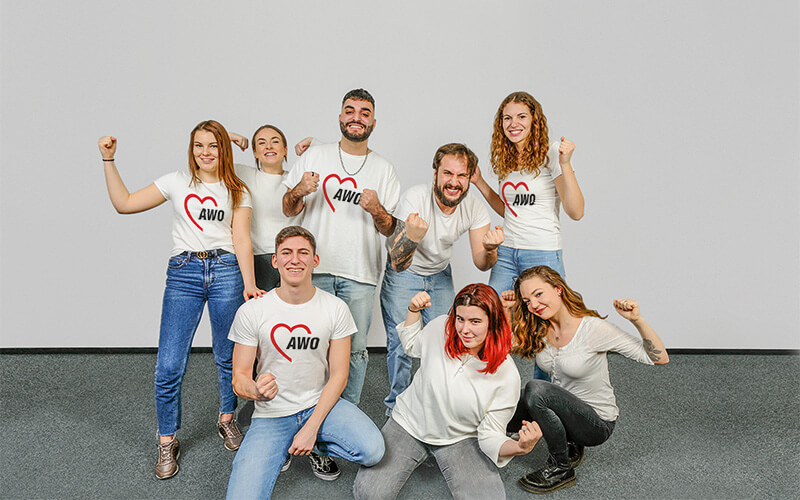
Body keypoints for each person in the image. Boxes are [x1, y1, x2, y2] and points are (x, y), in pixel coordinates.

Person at [97, 120, 261, 479]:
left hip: (226, 271)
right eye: (199, 145)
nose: (205, 152)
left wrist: (249, 284)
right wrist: (109, 160)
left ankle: (227, 418)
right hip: (184, 273)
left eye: (213, 145)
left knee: (227, 355)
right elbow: (124, 203)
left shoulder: (237, 189)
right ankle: (167, 440)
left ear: (223, 149)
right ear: (191, 149)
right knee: (169, 364)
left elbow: (241, 239)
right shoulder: (176, 181)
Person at [226, 226, 384, 499]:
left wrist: (310, 429)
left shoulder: (335, 308)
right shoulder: (252, 311)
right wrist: (256, 391)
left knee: (374, 450)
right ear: (275, 261)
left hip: (318, 405)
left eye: (303, 253)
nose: (295, 260)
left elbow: (339, 375)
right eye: (286, 253)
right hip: (271, 414)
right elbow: (239, 378)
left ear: (315, 260)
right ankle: (283, 445)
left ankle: (314, 445)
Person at [353, 284, 541, 500]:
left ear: (493, 323)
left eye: (475, 321)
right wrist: (413, 310)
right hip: (409, 423)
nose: (465, 329)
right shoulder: (441, 327)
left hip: (461, 437)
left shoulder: (506, 375)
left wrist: (519, 447)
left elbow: (491, 436)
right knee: (369, 495)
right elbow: (411, 345)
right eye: (460, 319)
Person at [504, 265, 669, 494]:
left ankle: (561, 468)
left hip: (596, 423)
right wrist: (508, 310)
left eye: (538, 294)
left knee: (537, 390)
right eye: (527, 301)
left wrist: (637, 319)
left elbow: (658, 358)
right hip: (564, 411)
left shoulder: (593, 329)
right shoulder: (540, 328)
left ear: (558, 289)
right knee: (505, 408)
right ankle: (567, 440)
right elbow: (503, 347)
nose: (534, 304)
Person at [282, 88, 401, 406]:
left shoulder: (384, 169)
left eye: (364, 113)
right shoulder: (315, 155)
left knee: (355, 350)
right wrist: (298, 190)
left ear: (373, 122)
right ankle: (306, 412)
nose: (356, 117)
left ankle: (345, 417)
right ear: (340, 117)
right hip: (315, 270)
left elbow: (390, 229)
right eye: (350, 111)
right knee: (308, 346)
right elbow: (288, 209)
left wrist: (377, 209)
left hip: (360, 273)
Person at [380, 143, 503, 416]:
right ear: (435, 174)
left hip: (440, 274)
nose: (454, 182)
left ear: (469, 178)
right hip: (405, 273)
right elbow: (398, 262)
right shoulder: (414, 198)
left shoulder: (473, 206)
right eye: (448, 173)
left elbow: (481, 262)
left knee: (445, 342)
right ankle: (395, 410)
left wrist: (491, 249)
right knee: (400, 346)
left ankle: (435, 407)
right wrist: (412, 238)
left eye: (462, 175)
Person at [471, 91, 586, 382]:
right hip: (507, 253)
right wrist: (479, 182)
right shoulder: (507, 158)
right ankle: (492, 392)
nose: (514, 124)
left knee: (546, 329)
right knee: (493, 320)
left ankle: (541, 398)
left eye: (521, 116)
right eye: (507, 118)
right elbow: (508, 209)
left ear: (535, 120)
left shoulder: (551, 154)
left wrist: (566, 163)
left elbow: (576, 211)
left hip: (542, 253)